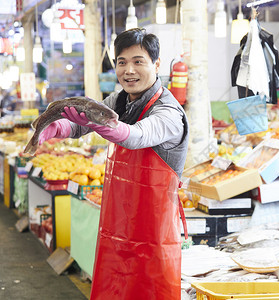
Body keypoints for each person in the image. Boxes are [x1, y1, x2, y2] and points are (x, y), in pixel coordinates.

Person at [38, 28, 189, 299]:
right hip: (117, 230)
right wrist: (59, 127)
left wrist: (112, 129)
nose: (129, 70)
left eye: (138, 61)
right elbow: (81, 122)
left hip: (154, 237)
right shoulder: (118, 101)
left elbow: (138, 135)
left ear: (156, 64)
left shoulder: (169, 111)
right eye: (122, 62)